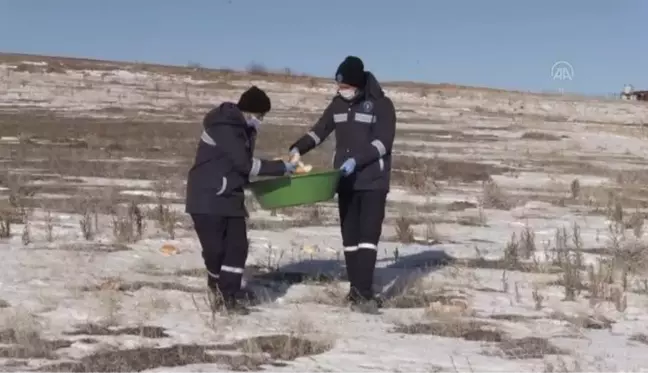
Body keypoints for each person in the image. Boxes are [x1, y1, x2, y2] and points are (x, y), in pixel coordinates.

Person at [287, 56, 396, 314]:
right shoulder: (337, 104)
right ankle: (355, 291)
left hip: (372, 181)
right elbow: (319, 131)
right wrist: (298, 147)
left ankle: (364, 293)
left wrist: (357, 160)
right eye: (338, 87)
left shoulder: (381, 105)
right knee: (350, 238)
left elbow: (383, 143)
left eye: (345, 86)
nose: (340, 91)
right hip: (345, 181)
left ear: (357, 84)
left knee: (367, 237)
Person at [185, 86, 297, 315]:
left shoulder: (244, 130)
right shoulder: (224, 127)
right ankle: (217, 288)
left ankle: (229, 296)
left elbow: (241, 167)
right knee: (215, 251)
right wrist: (280, 168)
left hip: (231, 197)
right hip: (207, 198)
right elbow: (245, 164)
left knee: (237, 248)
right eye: (260, 116)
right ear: (250, 111)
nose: (261, 121)